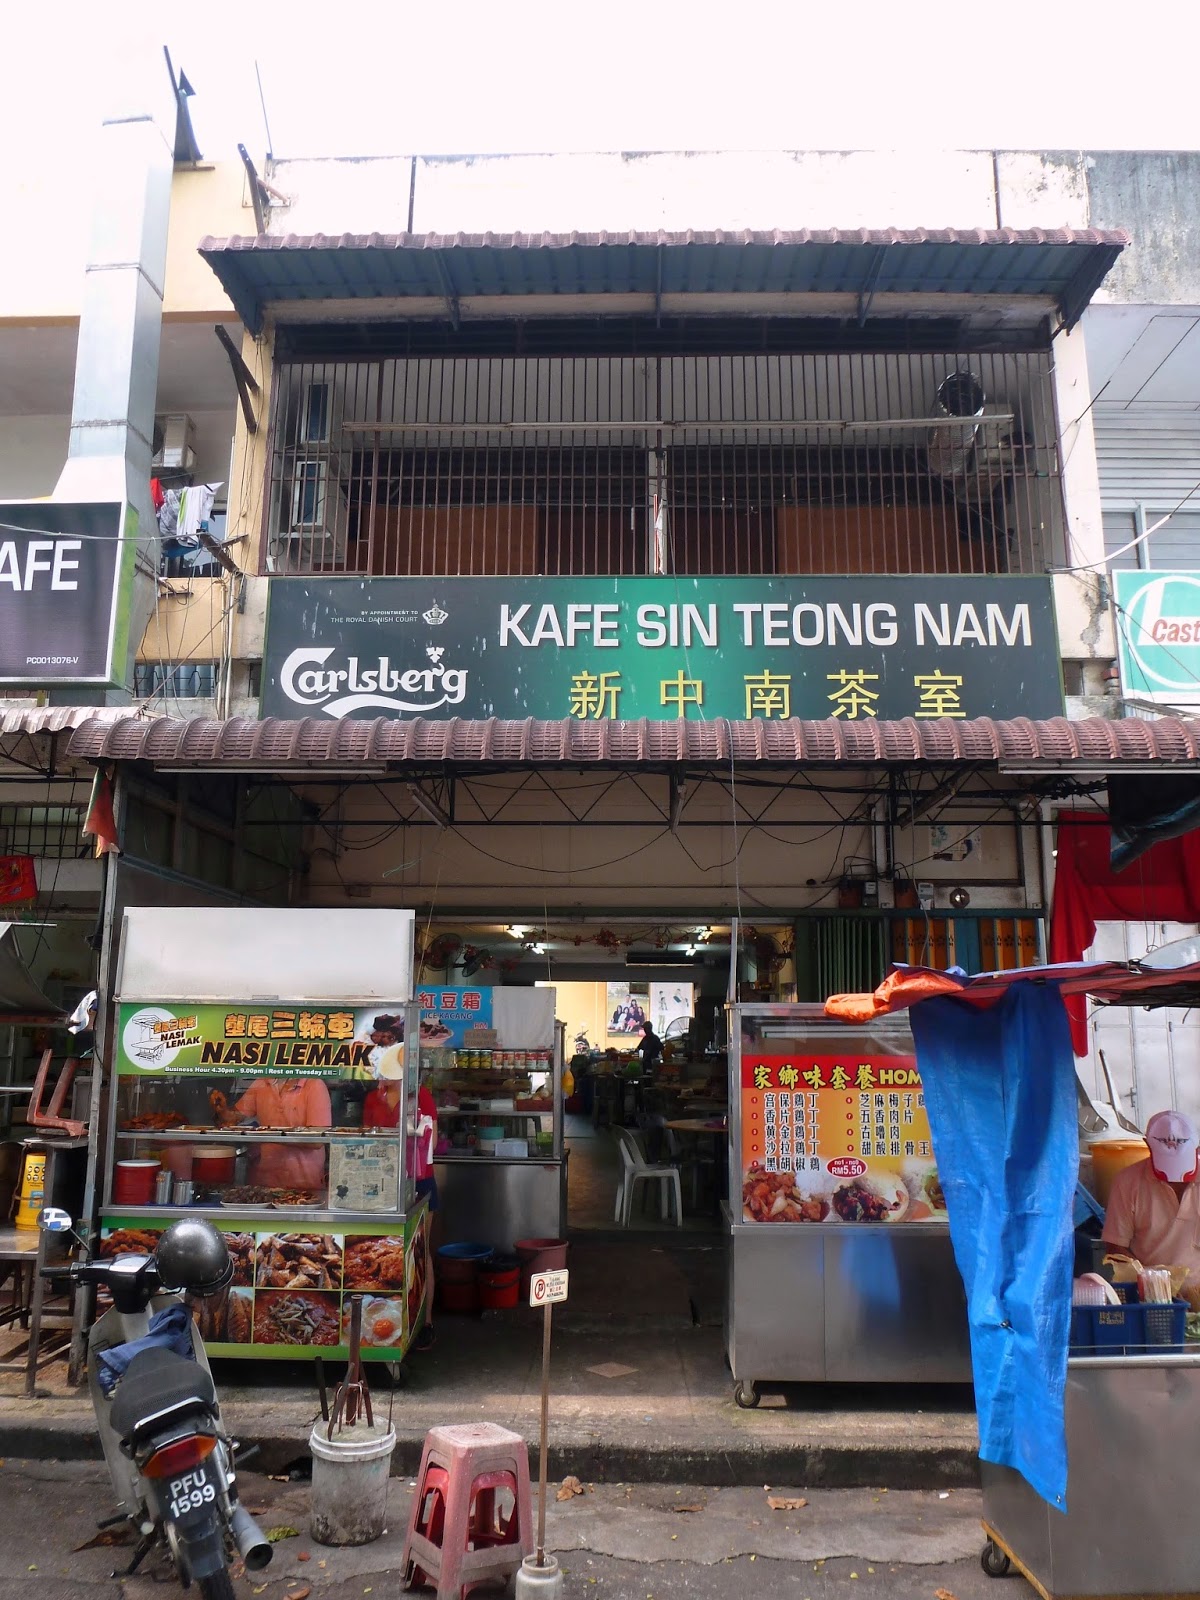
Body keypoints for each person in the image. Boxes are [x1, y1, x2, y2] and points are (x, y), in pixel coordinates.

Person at [360, 1077, 439, 1350]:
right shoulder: (373, 1098)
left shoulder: (421, 1096)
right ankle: (385, 1322)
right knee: (384, 1249)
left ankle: (425, 1322)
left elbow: (432, 1140)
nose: (383, 1074)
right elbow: (365, 1141)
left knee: (420, 1249)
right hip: (380, 1182)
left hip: (419, 1180)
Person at [1101, 1109, 1200, 1286]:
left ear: (1197, 1147)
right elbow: (1115, 1245)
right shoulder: (1127, 1182)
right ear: (1147, 1145)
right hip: (1152, 1296)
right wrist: (1151, 1281)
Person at [230, 1076, 332, 1192]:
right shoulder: (263, 1082)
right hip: (263, 1182)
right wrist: (221, 1110)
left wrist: (269, 1136)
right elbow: (232, 1119)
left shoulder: (314, 1085)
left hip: (303, 1183)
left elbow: (317, 1141)